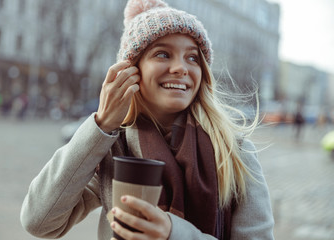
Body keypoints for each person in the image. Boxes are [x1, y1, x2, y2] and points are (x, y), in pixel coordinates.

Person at [20, 0, 275, 239]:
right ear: (130, 71)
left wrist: (173, 233)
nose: (181, 68)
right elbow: (39, 221)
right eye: (163, 54)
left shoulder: (234, 152)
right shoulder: (114, 150)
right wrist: (101, 125)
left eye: (192, 57)